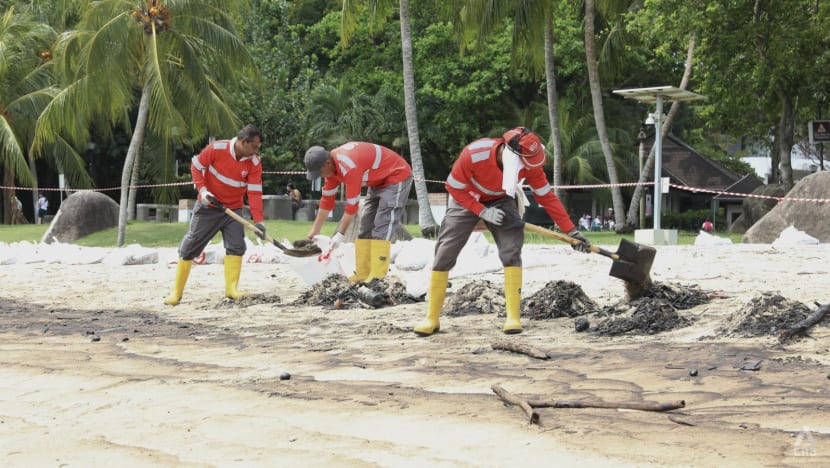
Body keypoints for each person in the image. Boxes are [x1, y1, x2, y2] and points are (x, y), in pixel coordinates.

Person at [413, 127, 591, 336]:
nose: (528, 167)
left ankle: (513, 317)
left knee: (511, 250)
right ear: (510, 155)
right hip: (466, 197)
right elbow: (454, 188)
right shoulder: (474, 154)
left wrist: (571, 230)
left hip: (501, 198)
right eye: (524, 163)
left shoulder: (530, 162)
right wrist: (481, 211)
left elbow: (546, 196)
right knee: (445, 251)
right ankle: (432, 318)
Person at [164, 124, 266, 305]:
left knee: (236, 246)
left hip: (233, 210)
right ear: (243, 142)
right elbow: (196, 167)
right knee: (190, 246)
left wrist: (259, 221)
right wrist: (202, 191)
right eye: (255, 146)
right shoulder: (216, 148)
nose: (257, 151)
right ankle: (176, 293)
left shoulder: (255, 163)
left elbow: (255, 193)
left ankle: (232, 289)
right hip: (208, 207)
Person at [304, 142, 413, 282]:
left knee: (383, 224)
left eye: (319, 172)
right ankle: (362, 273)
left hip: (396, 175)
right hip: (377, 181)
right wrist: (315, 231)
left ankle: (377, 277)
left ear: (327, 163)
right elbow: (326, 201)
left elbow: (352, 207)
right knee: (365, 224)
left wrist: (340, 234)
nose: (319, 176)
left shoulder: (349, 166)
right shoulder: (331, 171)